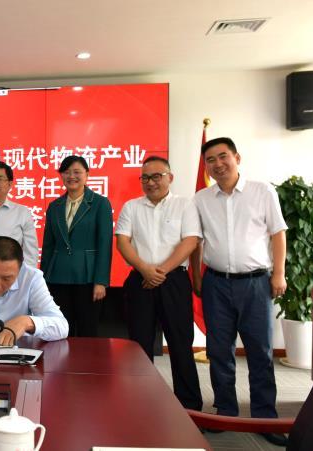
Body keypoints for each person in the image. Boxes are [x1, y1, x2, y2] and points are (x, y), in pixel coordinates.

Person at [191, 137, 288, 446]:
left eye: (223, 157)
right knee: (220, 351)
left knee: (260, 351)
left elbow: (278, 233)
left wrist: (279, 274)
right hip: (216, 283)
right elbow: (196, 241)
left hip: (256, 283)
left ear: (237, 157)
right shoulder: (201, 199)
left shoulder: (262, 191)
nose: (217, 164)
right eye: (210, 160)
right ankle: (225, 411)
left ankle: (264, 417)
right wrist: (196, 277)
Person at [115, 156, 203, 410]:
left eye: (156, 176)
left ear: (170, 178)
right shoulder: (132, 206)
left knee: (180, 343)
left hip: (173, 280)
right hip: (140, 280)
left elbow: (190, 241)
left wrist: (160, 272)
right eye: (145, 177)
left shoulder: (185, 205)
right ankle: (141, 405)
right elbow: (122, 242)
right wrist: (145, 269)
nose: (150, 182)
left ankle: (190, 407)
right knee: (139, 346)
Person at [40, 155, 113, 337]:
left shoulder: (100, 203)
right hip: (58, 276)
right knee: (61, 330)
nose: (71, 176)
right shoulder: (54, 206)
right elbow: (48, 246)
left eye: (77, 172)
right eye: (66, 172)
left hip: (88, 277)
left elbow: (105, 244)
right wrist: (43, 280)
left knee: (88, 330)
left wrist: (101, 281)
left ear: (87, 174)